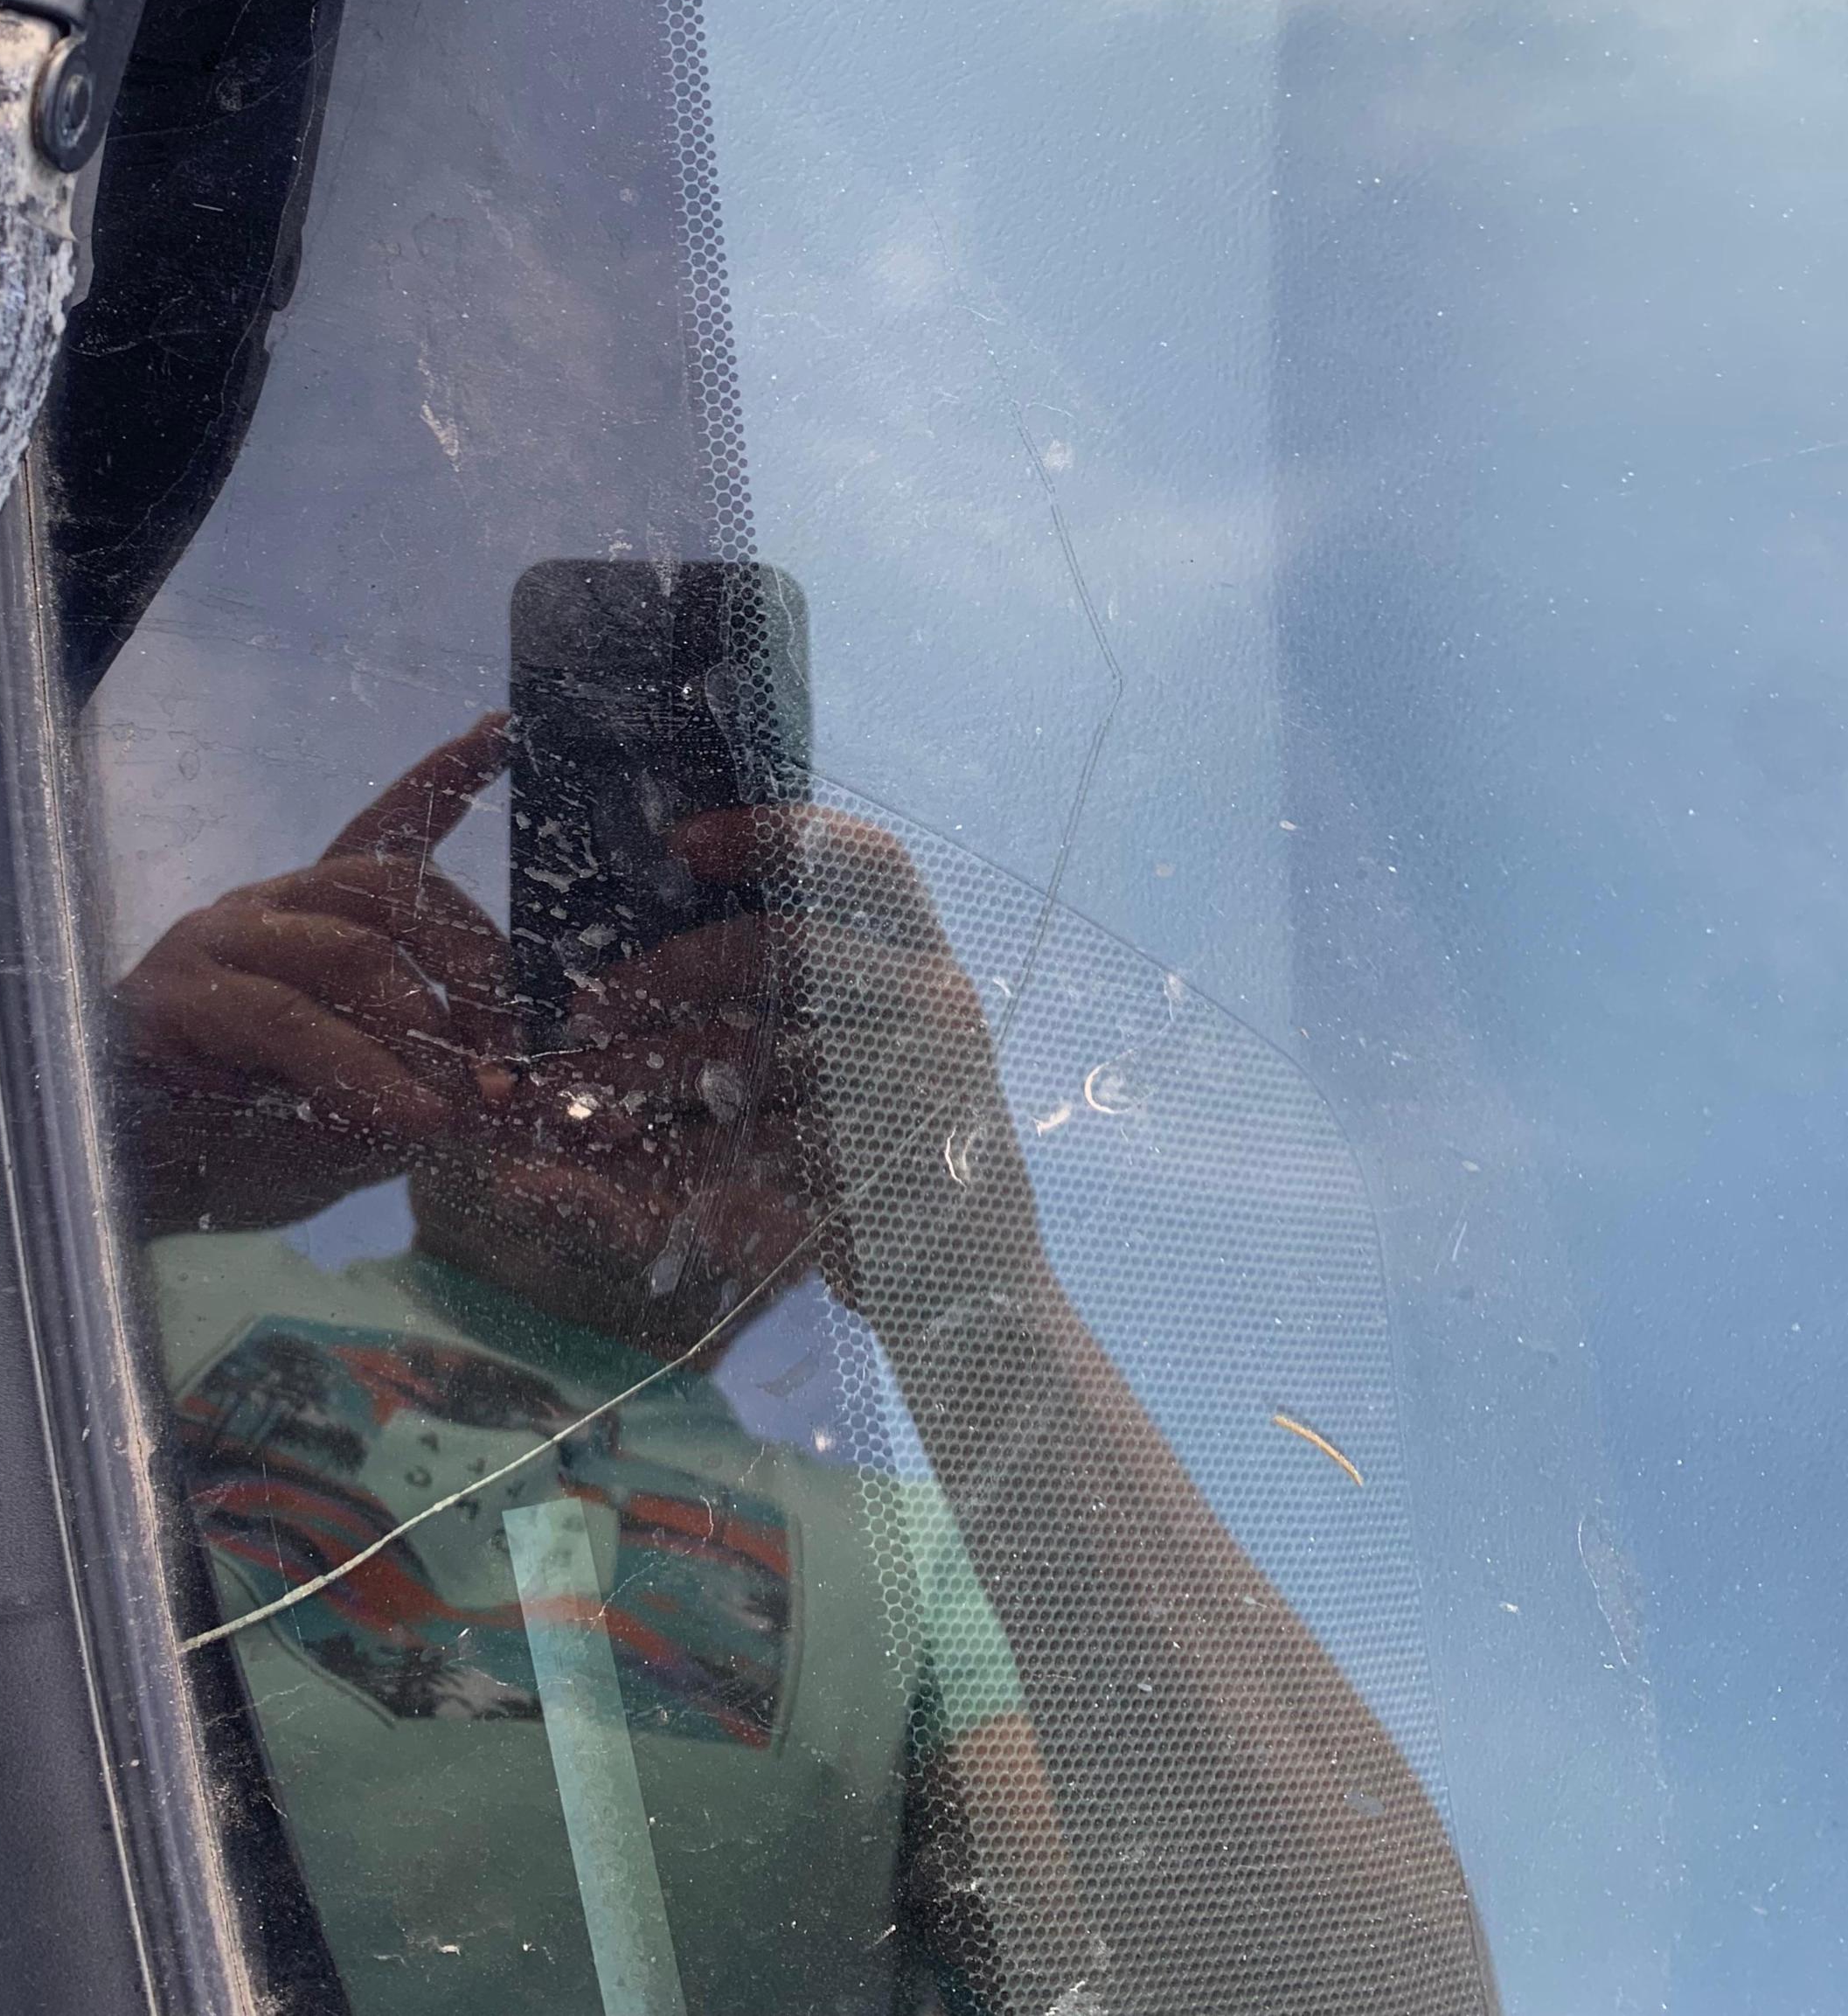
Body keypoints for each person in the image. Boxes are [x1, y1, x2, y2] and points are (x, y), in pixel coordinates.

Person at [120, 719, 1497, 2016]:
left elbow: (1343, 1991)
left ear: (826, 1173)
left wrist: (971, 1286)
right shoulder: (131, 1268)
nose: (639, 1061)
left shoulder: (920, 1569)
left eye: (737, 1059)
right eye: (578, 985)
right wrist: (123, 1134)